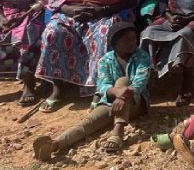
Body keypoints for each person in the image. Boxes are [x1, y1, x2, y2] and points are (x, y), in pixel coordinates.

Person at [35, 0, 139, 113]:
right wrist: (70, 10)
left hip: (104, 15)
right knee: (53, 32)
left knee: (107, 32)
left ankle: (99, 90)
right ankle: (58, 88)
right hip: (71, 14)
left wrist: (104, 10)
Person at [33, 22, 149, 160]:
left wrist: (121, 96)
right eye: (127, 39)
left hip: (136, 103)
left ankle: (118, 131)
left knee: (123, 81)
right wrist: (116, 93)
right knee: (89, 122)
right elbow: (103, 85)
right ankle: (55, 144)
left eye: (134, 38)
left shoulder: (142, 56)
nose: (132, 42)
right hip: (111, 103)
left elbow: (139, 84)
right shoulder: (105, 60)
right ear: (115, 43)